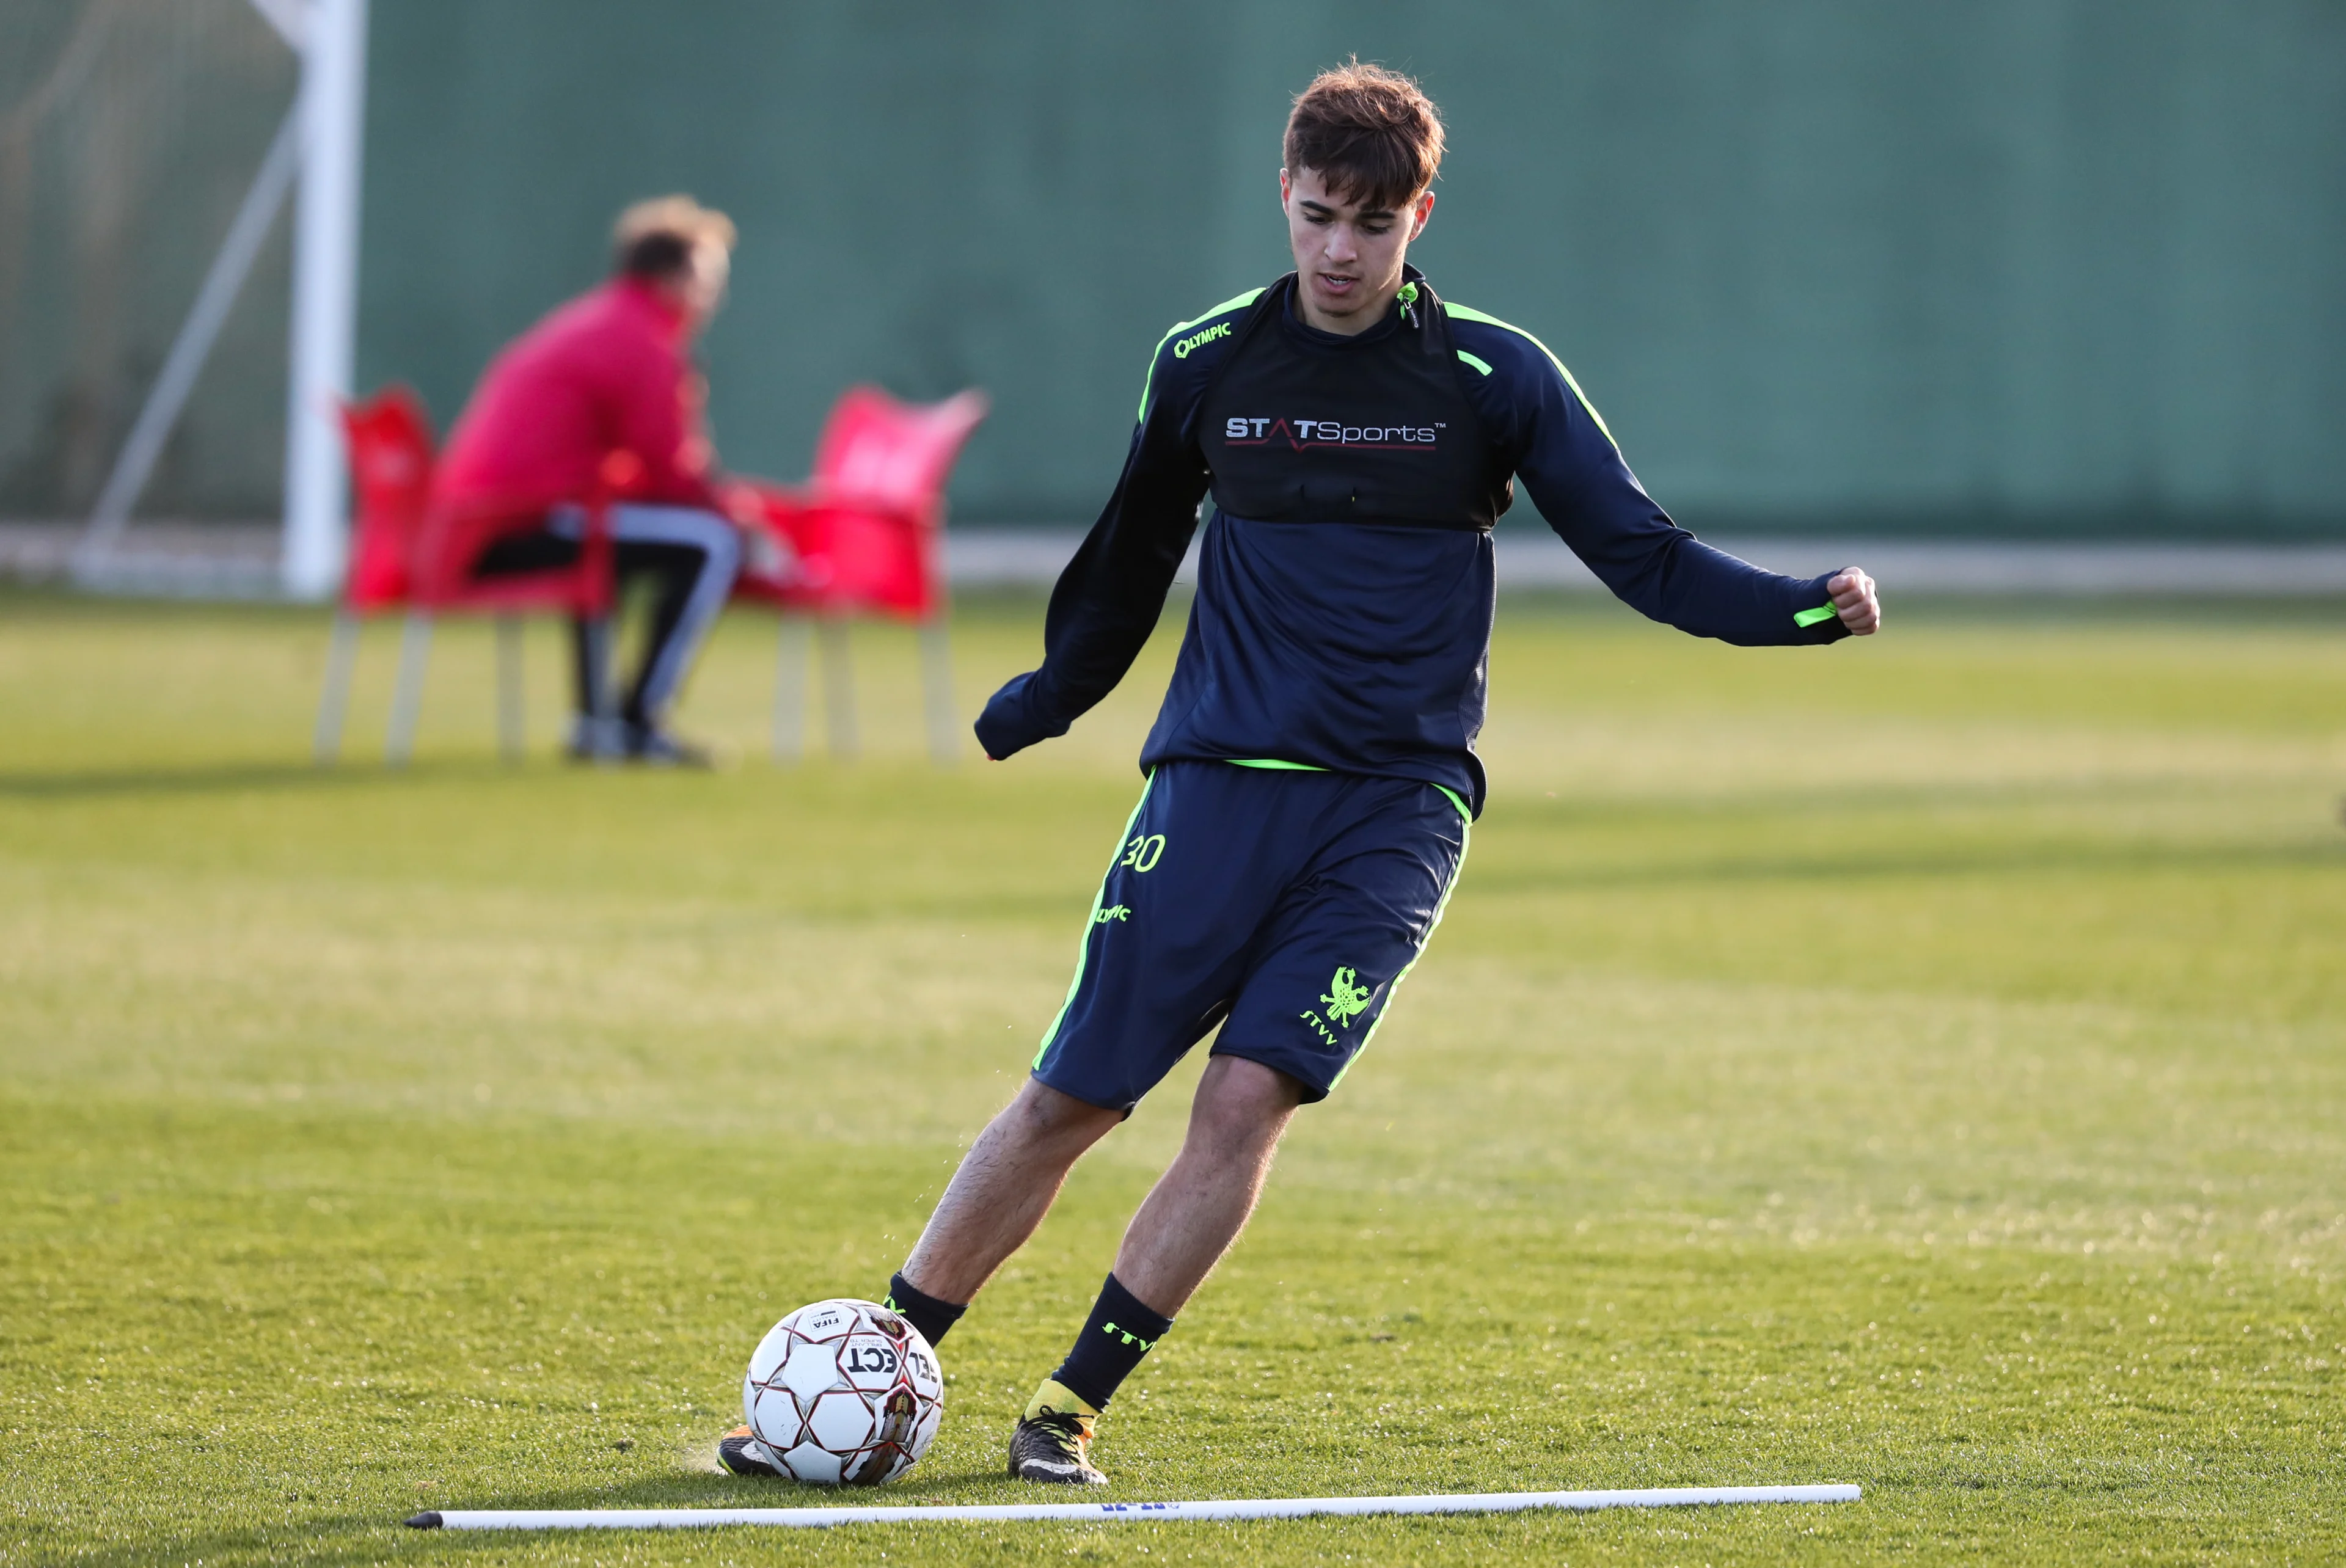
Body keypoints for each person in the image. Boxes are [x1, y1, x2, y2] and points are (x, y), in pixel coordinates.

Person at [720, 60, 1883, 1485]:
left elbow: (1638, 550)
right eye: (1321, 214)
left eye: (1373, 224)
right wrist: (1046, 698)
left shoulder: (1493, 378)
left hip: (1395, 811)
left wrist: (1801, 604)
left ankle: (1065, 1407)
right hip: (1213, 786)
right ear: (1284, 193)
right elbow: (1131, 552)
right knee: (1070, 1099)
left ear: (1419, 219)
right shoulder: (1207, 361)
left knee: (1244, 1098)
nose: (1340, 250)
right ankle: (877, 1368)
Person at [433, 195, 745, 765]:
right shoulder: (640, 340)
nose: (715, 296)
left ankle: (596, 723)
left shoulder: (602, 319)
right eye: (707, 278)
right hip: (516, 518)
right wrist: (742, 517)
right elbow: (669, 468)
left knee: (619, 535)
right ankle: (638, 723)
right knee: (712, 542)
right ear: (673, 277)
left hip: (482, 517)